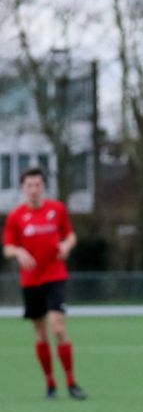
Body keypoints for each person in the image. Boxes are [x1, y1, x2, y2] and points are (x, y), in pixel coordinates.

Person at [3, 167, 88, 400]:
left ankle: (71, 382)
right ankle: (50, 384)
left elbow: (70, 235)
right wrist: (18, 252)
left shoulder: (57, 209)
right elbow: (7, 246)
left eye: (37, 185)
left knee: (58, 327)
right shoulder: (15, 216)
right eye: (29, 185)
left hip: (55, 276)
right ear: (23, 188)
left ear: (44, 187)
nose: (33, 189)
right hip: (30, 281)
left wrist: (66, 246)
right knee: (40, 333)